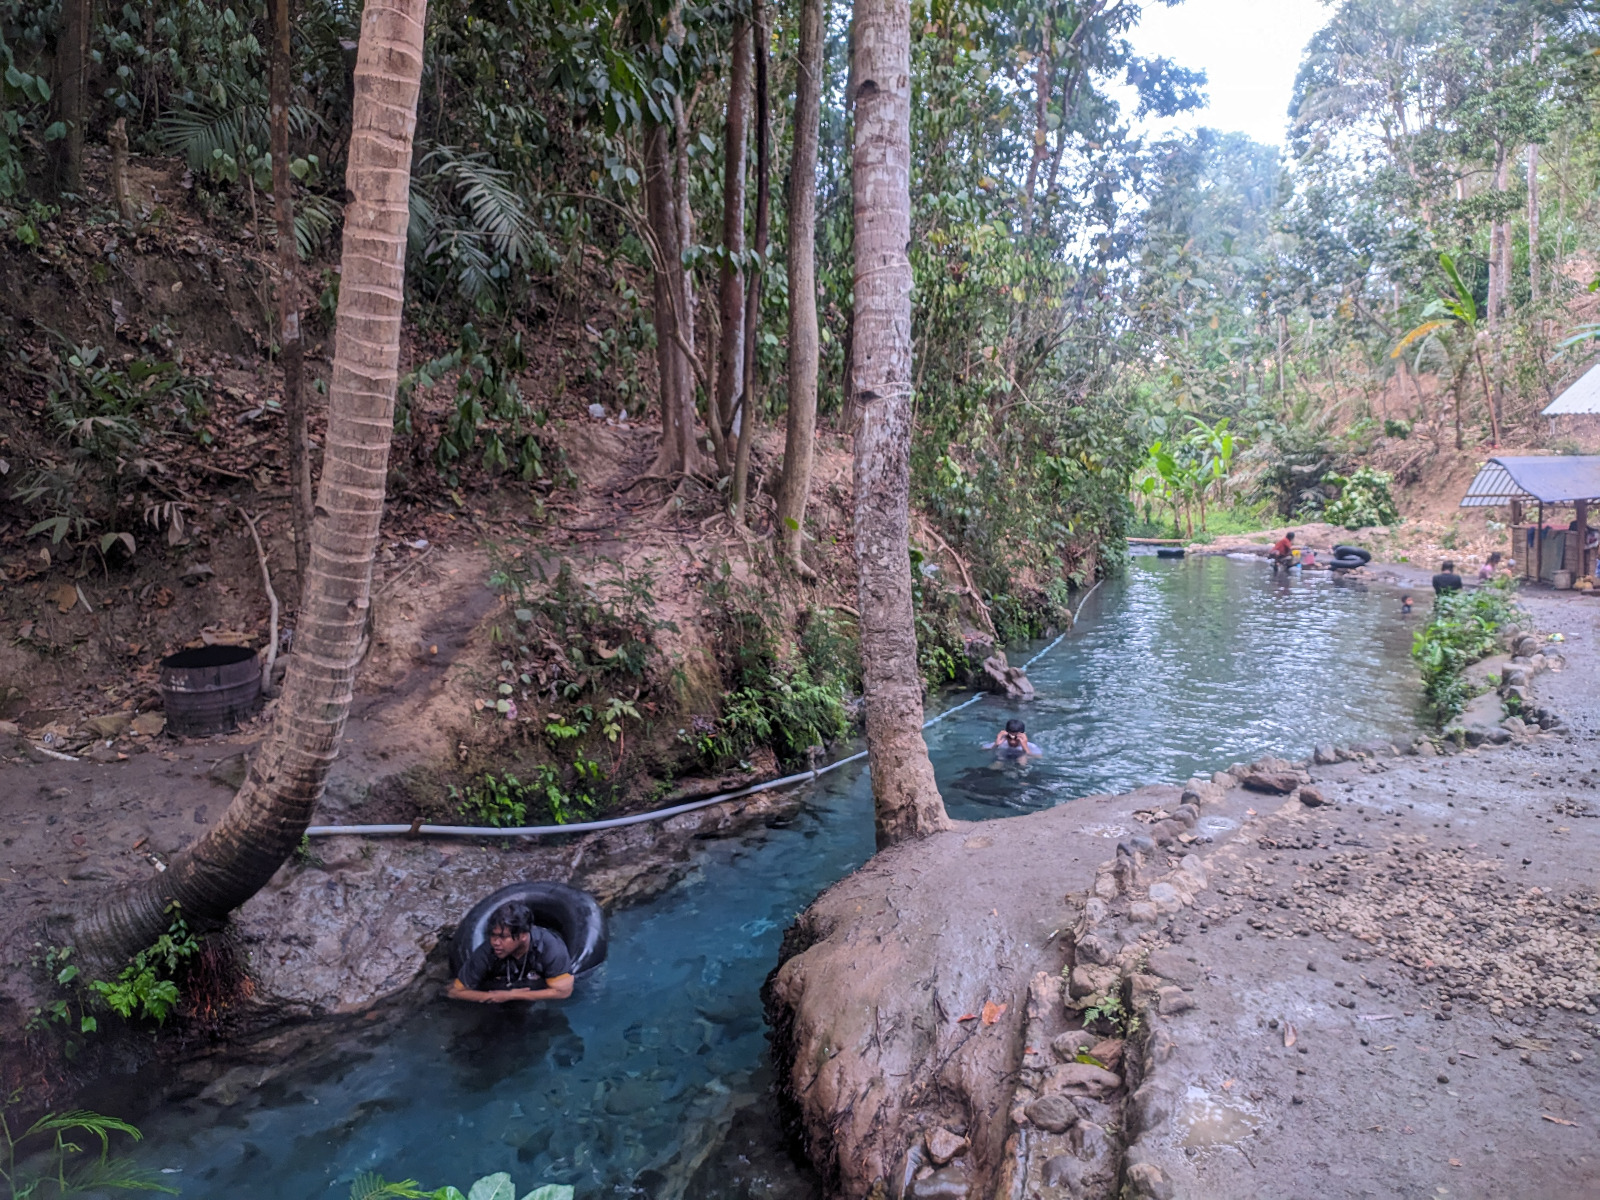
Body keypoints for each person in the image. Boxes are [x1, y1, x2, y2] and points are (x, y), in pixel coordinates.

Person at [449, 902, 574, 1005]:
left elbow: (563, 992)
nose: (496, 942)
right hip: (497, 1000)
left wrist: (513, 995)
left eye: (503, 937)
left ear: (523, 935)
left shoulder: (550, 948)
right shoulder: (486, 952)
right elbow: (454, 991)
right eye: (493, 935)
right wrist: (490, 996)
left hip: (536, 999)